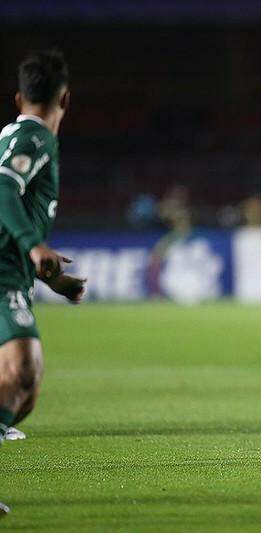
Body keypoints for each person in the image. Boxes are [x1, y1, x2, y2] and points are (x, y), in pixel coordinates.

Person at [0, 49, 86, 454]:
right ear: (65, 100)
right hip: (3, 273)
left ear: (19, 98)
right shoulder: (35, 138)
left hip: (13, 270)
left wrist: (54, 279)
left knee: (22, 387)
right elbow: (2, 189)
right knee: (22, 375)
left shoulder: (17, 139)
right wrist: (35, 246)